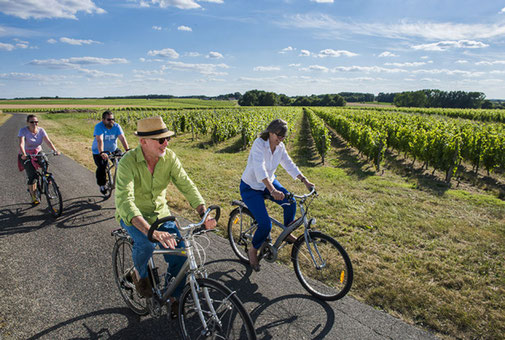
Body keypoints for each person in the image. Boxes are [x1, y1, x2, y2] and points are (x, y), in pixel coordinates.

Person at [115, 116, 216, 315]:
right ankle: (139, 274)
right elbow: (125, 201)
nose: (166, 143)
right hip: (134, 215)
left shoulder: (169, 157)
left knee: (180, 254)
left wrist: (203, 211)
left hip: (160, 214)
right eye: (161, 140)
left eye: (167, 138)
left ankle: (172, 294)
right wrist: (151, 232)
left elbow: (185, 184)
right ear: (143, 142)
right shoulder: (127, 162)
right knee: (146, 244)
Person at [240, 119, 314, 271]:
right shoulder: (259, 144)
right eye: (278, 135)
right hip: (251, 187)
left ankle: (287, 231)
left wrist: (305, 181)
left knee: (291, 202)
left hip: (269, 183)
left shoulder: (280, 147)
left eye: (283, 137)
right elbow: (259, 169)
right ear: (271, 132)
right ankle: (253, 250)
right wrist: (272, 190)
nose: (280, 139)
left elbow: (289, 164)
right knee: (265, 225)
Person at [18, 114, 60, 205]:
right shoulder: (23, 131)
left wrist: (54, 150)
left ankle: (46, 179)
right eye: (32, 122)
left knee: (45, 163)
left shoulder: (41, 130)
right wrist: (24, 154)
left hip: (37, 151)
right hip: (26, 154)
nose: (34, 124)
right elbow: (21, 143)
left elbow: (48, 141)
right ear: (27, 123)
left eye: (36, 122)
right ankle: (33, 196)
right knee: (32, 176)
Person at [91, 110, 129, 195]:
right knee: (102, 167)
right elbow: (99, 140)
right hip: (99, 151)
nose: (111, 121)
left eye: (113, 119)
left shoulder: (116, 126)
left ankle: (123, 183)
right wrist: (102, 152)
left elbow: (122, 138)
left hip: (113, 149)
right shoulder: (99, 126)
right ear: (103, 120)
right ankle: (102, 185)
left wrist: (127, 150)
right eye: (109, 119)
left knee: (122, 165)